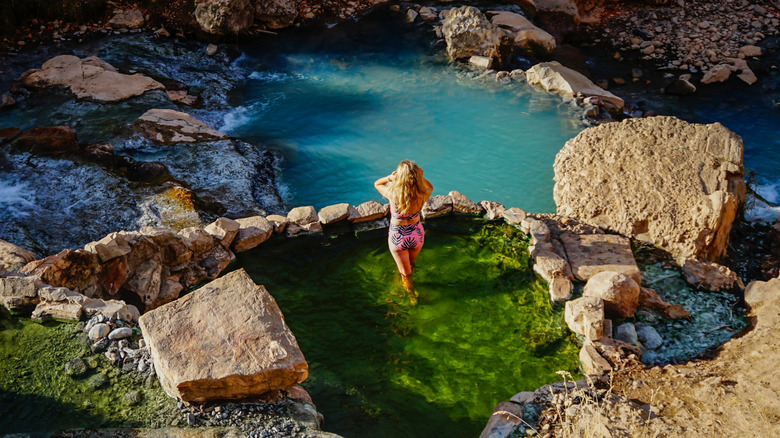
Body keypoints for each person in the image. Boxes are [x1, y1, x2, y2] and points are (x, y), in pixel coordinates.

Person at [374, 160, 433, 291]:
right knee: (410, 264)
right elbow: (430, 187)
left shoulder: (392, 194)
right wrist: (421, 177)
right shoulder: (422, 194)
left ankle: (412, 297)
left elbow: (377, 183)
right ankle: (409, 280)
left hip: (398, 237)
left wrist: (389, 178)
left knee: (405, 274)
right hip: (417, 235)